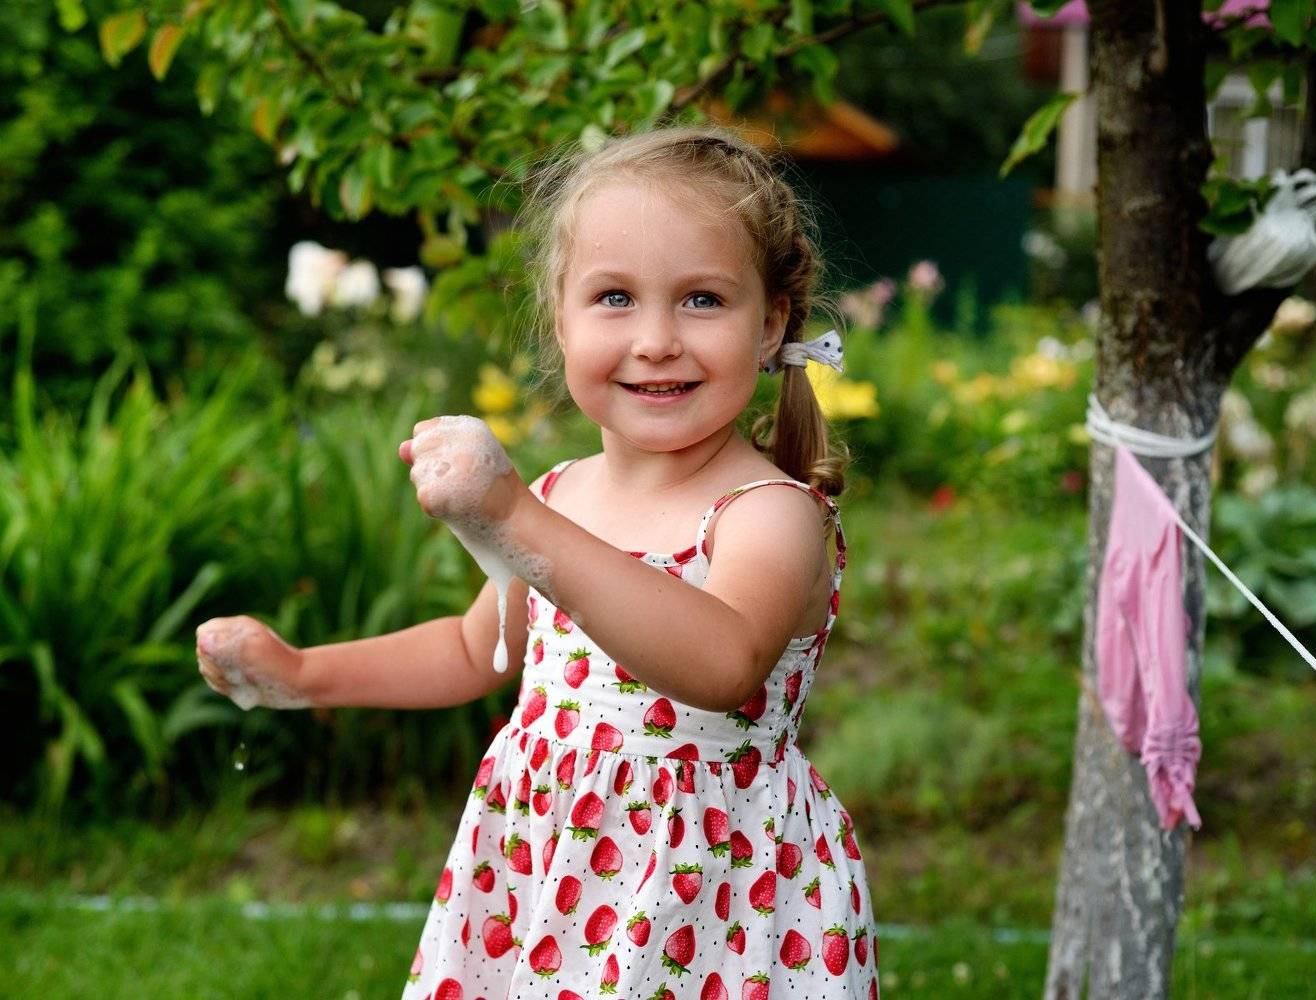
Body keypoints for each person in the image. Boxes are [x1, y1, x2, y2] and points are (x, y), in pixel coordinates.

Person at [194, 125, 878, 999]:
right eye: (615, 297)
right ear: (560, 317)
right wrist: (299, 673)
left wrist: (518, 518)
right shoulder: (561, 497)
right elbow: (472, 651)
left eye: (703, 300)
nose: (657, 339)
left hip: (713, 899)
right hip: (549, 875)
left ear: (771, 322)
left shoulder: (767, 513)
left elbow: (722, 662)